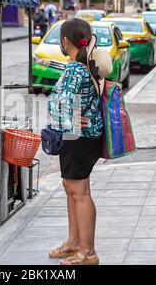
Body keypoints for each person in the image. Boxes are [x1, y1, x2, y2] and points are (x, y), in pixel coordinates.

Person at [47, 18, 103, 265]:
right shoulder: (84, 65)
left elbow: (64, 101)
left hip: (77, 137)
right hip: (79, 135)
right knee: (72, 189)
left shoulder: (74, 68)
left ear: (65, 41)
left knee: (79, 192)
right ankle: (74, 243)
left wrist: (68, 123)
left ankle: (88, 253)